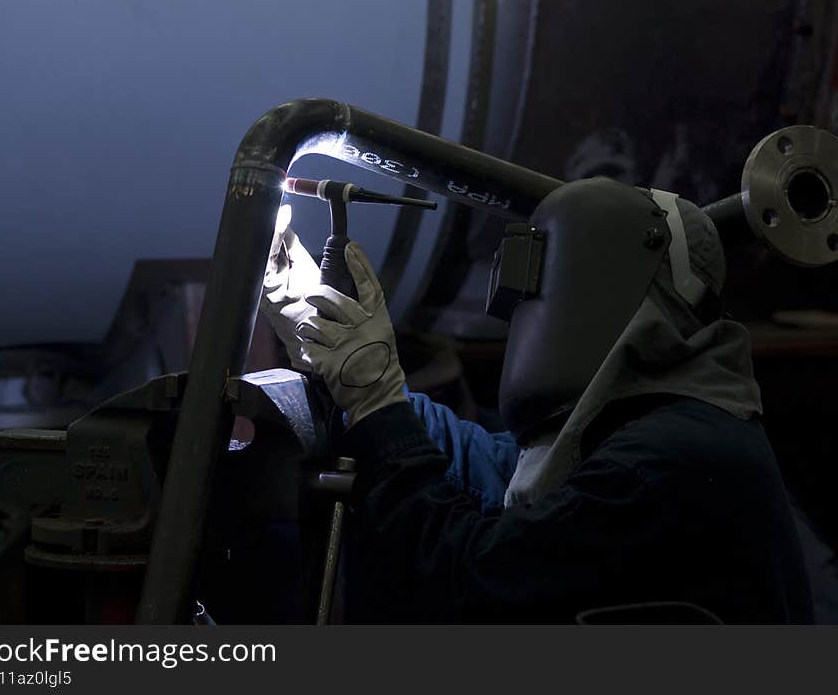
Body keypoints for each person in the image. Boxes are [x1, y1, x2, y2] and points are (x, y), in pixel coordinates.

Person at [262, 180, 813, 623]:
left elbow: (467, 582)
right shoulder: (628, 433)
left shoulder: (671, 460)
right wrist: (334, 348)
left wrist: (376, 399)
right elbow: (479, 468)